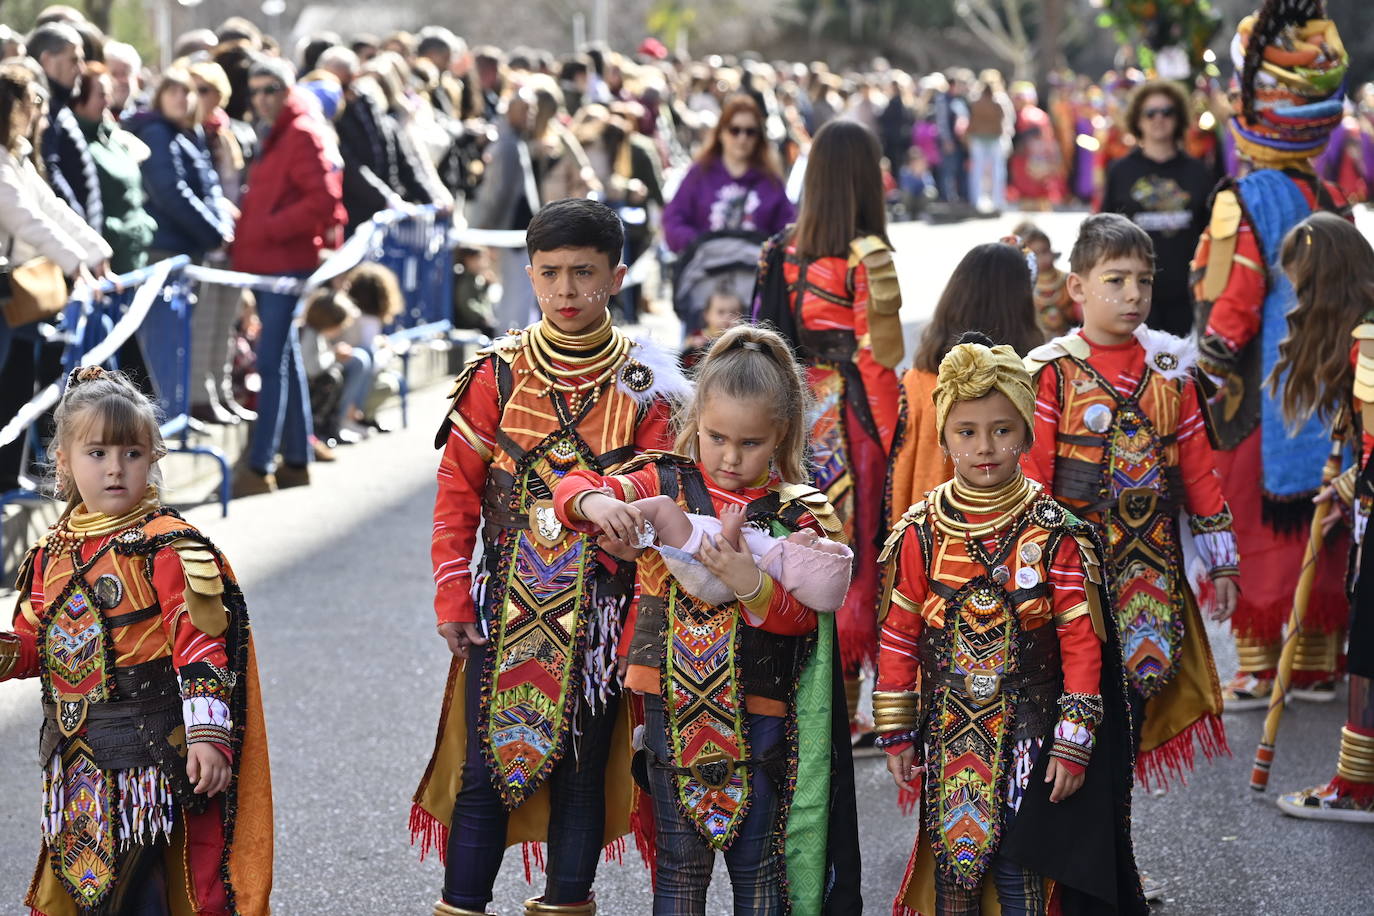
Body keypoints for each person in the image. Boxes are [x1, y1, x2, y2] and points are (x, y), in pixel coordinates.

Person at [411, 199, 688, 916]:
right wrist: (451, 596)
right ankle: (462, 904)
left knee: (580, 769)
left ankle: (566, 903)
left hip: (602, 605)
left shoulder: (644, 381)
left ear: (617, 277)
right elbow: (456, 498)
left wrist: (627, 511)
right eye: (552, 274)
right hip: (502, 600)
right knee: (480, 771)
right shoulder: (495, 375)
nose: (567, 291)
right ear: (528, 275)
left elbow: (667, 478)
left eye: (584, 274)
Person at [552, 323, 862, 916]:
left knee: (759, 868)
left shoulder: (799, 515)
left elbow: (808, 621)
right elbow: (574, 485)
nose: (729, 457)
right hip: (670, 703)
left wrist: (751, 583)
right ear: (696, 422)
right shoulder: (659, 480)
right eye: (716, 437)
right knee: (680, 869)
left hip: (763, 710)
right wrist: (600, 503)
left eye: (749, 443)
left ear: (782, 436)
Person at [876, 334, 1143, 916]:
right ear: (944, 437)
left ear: (1026, 432)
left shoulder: (1057, 533)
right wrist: (895, 731)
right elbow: (898, 633)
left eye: (1002, 429)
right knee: (955, 874)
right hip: (948, 735)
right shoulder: (920, 531)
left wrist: (1073, 744)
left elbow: (1081, 644)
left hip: (1033, 733)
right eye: (966, 431)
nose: (985, 446)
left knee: (1023, 872)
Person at [0, 366, 271, 915]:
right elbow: (37, 650)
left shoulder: (168, 547)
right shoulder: (47, 555)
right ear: (64, 462)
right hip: (73, 762)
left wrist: (207, 735)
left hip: (149, 758)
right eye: (96, 453)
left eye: (132, 453)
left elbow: (200, 647)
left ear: (153, 458)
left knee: (140, 894)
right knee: (89, 895)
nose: (115, 468)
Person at [1024, 213, 1233, 799]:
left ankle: (1116, 868)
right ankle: (1078, 875)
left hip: (1150, 578)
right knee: (1073, 718)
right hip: (1072, 575)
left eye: (1143, 280)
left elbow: (1197, 470)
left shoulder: (1172, 370)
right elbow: (1034, 478)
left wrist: (1222, 563)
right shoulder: (1052, 372)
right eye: (1115, 280)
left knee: (1132, 716)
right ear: (1077, 287)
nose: (1133, 294)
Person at [1190, 0, 1352, 709]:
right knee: (1324, 520)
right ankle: (1315, 660)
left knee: (1255, 527)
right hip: (1330, 389)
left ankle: (1259, 664)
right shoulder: (1332, 194)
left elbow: (1231, 308)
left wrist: (1203, 375)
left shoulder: (1241, 201)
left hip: (1259, 395)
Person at [754, 119, 902, 737]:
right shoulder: (870, 257)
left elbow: (762, 339)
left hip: (792, 410)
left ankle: (803, 703)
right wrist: (903, 438)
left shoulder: (780, 250)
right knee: (857, 548)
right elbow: (881, 360)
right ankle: (847, 704)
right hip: (852, 416)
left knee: (795, 540)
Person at [1268, 212, 1374, 822]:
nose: (1297, 301)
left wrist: (1353, 483)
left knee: (1367, 645)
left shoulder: (1366, 342)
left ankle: (1358, 784)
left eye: (1301, 287)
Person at [230, 55, 345, 496]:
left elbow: (324, 202)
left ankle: (260, 467)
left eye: (270, 89)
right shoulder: (280, 132)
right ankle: (296, 460)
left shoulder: (300, 132)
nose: (261, 99)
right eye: (255, 90)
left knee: (272, 360)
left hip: (283, 262)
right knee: (286, 357)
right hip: (269, 261)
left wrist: (268, 229)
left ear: (287, 89)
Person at [0, 62, 110, 492]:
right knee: (7, 376)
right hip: (8, 289)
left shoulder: (18, 158)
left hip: (21, 292)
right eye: (32, 103)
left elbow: (53, 209)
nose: (39, 112)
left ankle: (10, 471)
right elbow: (26, 221)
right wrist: (75, 263)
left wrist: (97, 252)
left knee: (18, 378)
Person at [888, 241, 1042, 533]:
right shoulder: (1032, 383)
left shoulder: (916, 381)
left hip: (929, 536)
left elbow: (903, 477)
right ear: (1019, 306)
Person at [614, 489, 853, 612]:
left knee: (663, 508)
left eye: (813, 544)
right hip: (701, 552)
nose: (812, 533)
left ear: (801, 566)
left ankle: (618, 515)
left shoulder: (774, 560)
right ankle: (618, 520)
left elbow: (726, 556)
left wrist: (730, 528)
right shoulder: (779, 554)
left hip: (701, 559)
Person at [1100, 80, 1213, 339]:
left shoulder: (1199, 172)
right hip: (1132, 297)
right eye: (1150, 113)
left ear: (1179, 118)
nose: (1158, 119)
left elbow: (1214, 232)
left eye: (1167, 112)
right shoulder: (1121, 171)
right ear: (1137, 119)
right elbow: (1104, 233)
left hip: (1188, 295)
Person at [662, 94, 793, 254]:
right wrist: (698, 245)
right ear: (721, 133)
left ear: (759, 137)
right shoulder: (699, 174)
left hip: (753, 274)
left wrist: (766, 254)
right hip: (705, 272)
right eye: (734, 130)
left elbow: (788, 231)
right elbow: (673, 220)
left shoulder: (770, 181)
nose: (742, 138)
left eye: (750, 132)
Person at [71, 61, 155, 275]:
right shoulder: (75, 144)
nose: (107, 101)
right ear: (79, 99)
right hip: (109, 258)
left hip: (135, 253)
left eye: (109, 94)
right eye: (100, 95)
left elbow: (142, 151)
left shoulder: (110, 135)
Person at [27, 22, 102, 233]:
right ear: (47, 60)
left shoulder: (57, 107)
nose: (82, 68)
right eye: (74, 59)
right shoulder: (41, 111)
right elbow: (50, 176)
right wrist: (81, 231)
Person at [964, 69, 1013, 213]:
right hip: (989, 138)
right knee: (994, 170)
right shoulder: (999, 100)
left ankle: (982, 201)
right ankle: (994, 201)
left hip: (986, 138)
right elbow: (1007, 121)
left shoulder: (978, 99)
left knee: (982, 171)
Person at [678, 284, 742, 371]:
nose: (727, 317)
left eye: (733, 313)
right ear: (707, 314)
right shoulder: (698, 336)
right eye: (721, 312)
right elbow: (684, 360)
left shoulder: (739, 339)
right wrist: (694, 348)